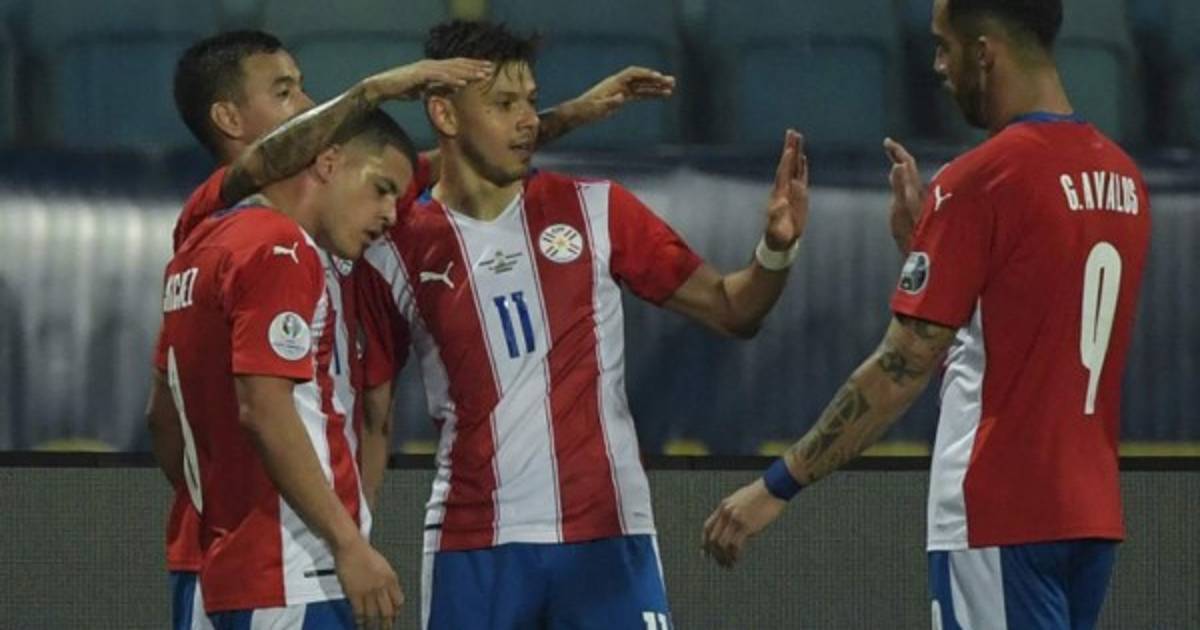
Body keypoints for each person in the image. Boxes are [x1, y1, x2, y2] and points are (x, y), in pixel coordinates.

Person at [157, 29, 679, 630]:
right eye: (284, 92)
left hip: (219, 561)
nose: (309, 105)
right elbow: (263, 408)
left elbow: (161, 417)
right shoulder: (251, 232)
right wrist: (374, 90)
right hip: (283, 565)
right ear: (228, 118)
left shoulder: (242, 236)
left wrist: (571, 115)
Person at [701, 1, 1151, 629]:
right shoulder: (1123, 178)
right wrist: (927, 248)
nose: (938, 65)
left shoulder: (981, 180)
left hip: (996, 513)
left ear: (985, 52)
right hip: (1089, 516)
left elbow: (903, 364)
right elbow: (1021, 335)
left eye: (945, 46)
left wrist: (776, 486)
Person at [355, 19, 808, 630]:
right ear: (444, 113)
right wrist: (354, 542)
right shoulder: (397, 247)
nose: (527, 121)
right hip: (475, 544)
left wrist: (776, 249)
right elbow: (372, 416)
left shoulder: (596, 208)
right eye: (504, 105)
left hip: (609, 534)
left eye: (532, 102)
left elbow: (735, 311)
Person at [146, 109, 416, 629]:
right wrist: (348, 543)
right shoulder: (282, 247)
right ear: (328, 162)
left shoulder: (196, 250)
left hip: (222, 573)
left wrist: (227, 512)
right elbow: (265, 411)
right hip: (297, 575)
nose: (390, 215)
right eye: (381, 189)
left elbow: (161, 417)